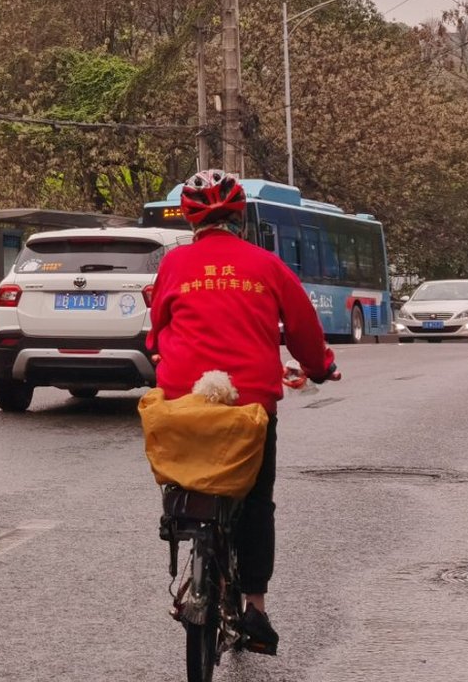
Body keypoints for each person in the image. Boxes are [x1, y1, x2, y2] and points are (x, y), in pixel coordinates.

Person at [146, 168, 339, 655]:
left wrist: (161, 352)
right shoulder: (267, 265)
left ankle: (185, 522)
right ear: (239, 217)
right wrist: (320, 368)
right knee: (256, 503)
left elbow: (157, 328)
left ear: (190, 219)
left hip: (185, 401)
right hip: (251, 405)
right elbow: (305, 331)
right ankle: (255, 606)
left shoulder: (174, 264)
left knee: (186, 478)